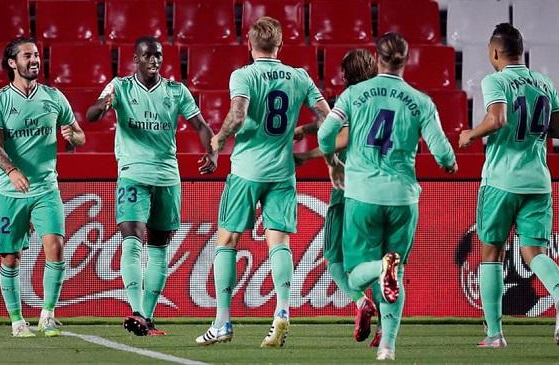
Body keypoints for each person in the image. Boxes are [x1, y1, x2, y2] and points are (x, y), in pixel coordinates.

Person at [318, 32, 458, 361]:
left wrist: (332, 161)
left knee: (355, 273)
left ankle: (382, 268)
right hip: (403, 197)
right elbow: (442, 150)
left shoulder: (354, 94)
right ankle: (387, 347)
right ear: (405, 60)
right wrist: (448, 163)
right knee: (399, 271)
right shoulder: (421, 101)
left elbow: (326, 134)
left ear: (377, 58)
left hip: (362, 194)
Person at [195, 16, 330, 347]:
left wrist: (219, 139)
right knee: (279, 242)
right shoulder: (299, 76)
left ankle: (223, 322)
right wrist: (302, 131)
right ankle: (282, 312)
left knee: (227, 241)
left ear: (249, 43)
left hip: (246, 171)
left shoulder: (244, 75)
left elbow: (238, 115)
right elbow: (329, 117)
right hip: (282, 171)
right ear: (280, 45)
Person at [86, 36, 217, 336]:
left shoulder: (176, 91)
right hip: (132, 172)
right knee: (131, 239)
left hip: (167, 178)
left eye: (158, 55)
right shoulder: (119, 87)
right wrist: (105, 105)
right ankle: (136, 310)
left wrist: (211, 151)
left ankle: (146, 315)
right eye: (148, 56)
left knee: (158, 248)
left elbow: (201, 126)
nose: (154, 60)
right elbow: (91, 115)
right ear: (135, 59)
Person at [459, 23, 559, 348]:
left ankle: (494, 335)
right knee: (534, 251)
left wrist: (470, 134)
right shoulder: (544, 82)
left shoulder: (495, 80)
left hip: (501, 181)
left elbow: (497, 119)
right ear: (520, 52)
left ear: (495, 52)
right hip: (538, 181)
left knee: (491, 254)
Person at [0, 37, 86, 337]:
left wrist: (73, 137)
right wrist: (13, 171)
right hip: (8, 190)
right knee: (10, 257)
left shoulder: (54, 97)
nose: (35, 60)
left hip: (46, 188)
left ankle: (47, 315)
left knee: (55, 246)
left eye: (37, 55)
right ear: (12, 63)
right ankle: (17, 321)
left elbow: (79, 136)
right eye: (27, 56)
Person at [294, 48, 382, 347]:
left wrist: (308, 155)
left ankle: (359, 302)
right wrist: (307, 128)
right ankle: (387, 323)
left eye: (343, 72)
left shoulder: (350, 98)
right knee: (377, 260)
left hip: (348, 187)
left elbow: (341, 137)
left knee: (333, 257)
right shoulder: (386, 96)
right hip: (382, 187)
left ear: (348, 74)